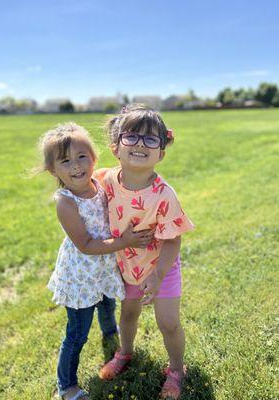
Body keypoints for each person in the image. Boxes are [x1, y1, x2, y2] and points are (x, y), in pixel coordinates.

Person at [37, 122, 153, 400]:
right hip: (80, 275)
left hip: (103, 267)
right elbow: (86, 245)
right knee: (76, 333)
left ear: (94, 158)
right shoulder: (66, 202)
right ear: (54, 170)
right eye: (65, 161)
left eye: (81, 157)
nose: (76, 166)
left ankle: (110, 333)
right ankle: (66, 386)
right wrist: (124, 242)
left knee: (107, 301)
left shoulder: (99, 183)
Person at [95, 104, 195, 400]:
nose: (140, 144)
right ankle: (125, 353)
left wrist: (157, 275)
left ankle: (177, 369)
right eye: (132, 137)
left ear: (161, 153)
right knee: (128, 315)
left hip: (161, 266)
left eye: (151, 139)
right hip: (127, 263)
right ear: (116, 148)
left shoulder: (164, 194)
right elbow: (80, 187)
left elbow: (173, 240)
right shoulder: (105, 180)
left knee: (168, 322)